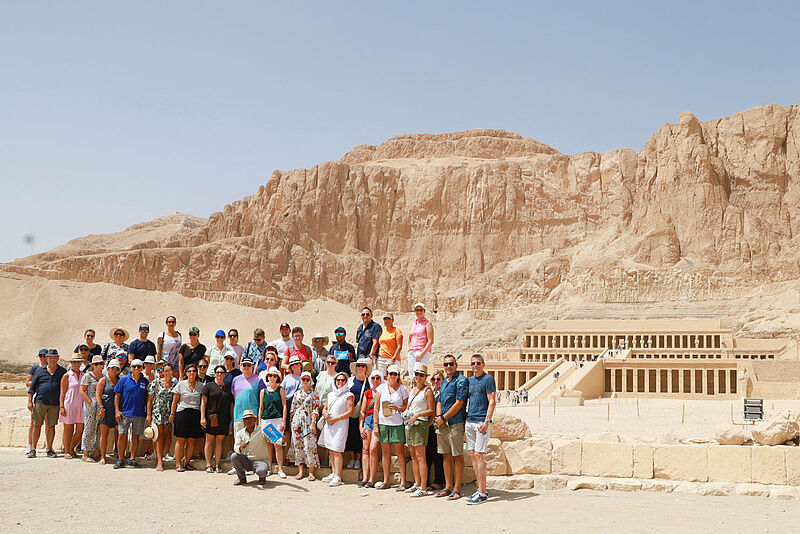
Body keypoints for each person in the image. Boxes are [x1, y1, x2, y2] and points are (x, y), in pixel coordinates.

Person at [434, 353, 468, 500]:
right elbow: (440, 400)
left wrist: (443, 417)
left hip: (455, 422)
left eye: (451, 364)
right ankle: (448, 486)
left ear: (456, 365)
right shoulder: (445, 382)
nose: (448, 367)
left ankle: (457, 488)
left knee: (457, 455)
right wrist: (438, 417)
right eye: (446, 364)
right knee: (446, 455)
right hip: (442, 423)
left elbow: (459, 403)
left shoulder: (461, 380)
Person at [465, 354, 497, 505]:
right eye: (473, 363)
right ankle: (480, 489)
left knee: (479, 455)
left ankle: (482, 493)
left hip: (481, 422)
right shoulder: (470, 380)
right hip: (470, 420)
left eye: (478, 363)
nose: (475, 366)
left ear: (483, 364)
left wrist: (487, 421)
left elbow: (492, 401)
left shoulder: (488, 379)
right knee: (473, 454)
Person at [372, 364, 409, 490]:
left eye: (395, 374)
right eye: (390, 374)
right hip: (383, 423)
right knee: (385, 453)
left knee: (400, 453)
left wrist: (398, 408)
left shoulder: (403, 389)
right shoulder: (382, 388)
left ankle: (403, 482)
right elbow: (376, 408)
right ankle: (386, 480)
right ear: (387, 375)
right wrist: (376, 425)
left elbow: (406, 407)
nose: (392, 376)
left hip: (397, 423)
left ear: (398, 376)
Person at [27, 349, 66, 458]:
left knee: (51, 426)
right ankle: (33, 449)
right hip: (41, 402)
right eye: (50, 357)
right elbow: (32, 387)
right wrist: (30, 401)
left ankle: (49, 448)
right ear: (47, 358)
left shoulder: (62, 371)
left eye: (55, 357)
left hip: (54, 403)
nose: (52, 360)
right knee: (37, 425)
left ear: (58, 358)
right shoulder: (39, 371)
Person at [404, 364, 435, 497]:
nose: (418, 377)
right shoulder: (413, 390)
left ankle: (423, 486)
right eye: (417, 374)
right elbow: (408, 405)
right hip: (410, 423)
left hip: (420, 423)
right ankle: (417, 483)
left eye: (421, 375)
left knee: (421, 456)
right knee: (413, 455)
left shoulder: (427, 391)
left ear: (425, 377)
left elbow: (431, 410)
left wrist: (419, 415)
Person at [319, 372, 354, 487]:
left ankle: (338, 476)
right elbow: (325, 408)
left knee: (337, 450)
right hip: (329, 424)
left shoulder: (349, 395)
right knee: (330, 448)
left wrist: (336, 419)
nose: (340, 382)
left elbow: (350, 412)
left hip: (340, 425)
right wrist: (325, 414)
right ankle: (333, 472)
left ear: (346, 381)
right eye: (338, 380)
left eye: (343, 380)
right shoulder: (330, 394)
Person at [113, 358, 149, 469]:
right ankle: (120, 459)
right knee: (122, 436)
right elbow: (117, 396)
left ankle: (132, 458)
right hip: (124, 413)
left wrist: (147, 413)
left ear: (142, 368)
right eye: (134, 366)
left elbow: (148, 398)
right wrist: (117, 411)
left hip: (139, 413)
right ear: (131, 368)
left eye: (139, 366)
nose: (136, 368)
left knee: (135, 437)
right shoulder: (123, 380)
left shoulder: (145, 381)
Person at [170, 363, 204, 471]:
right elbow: (174, 401)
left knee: (192, 440)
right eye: (189, 371)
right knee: (181, 440)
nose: (192, 373)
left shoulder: (201, 386)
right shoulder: (180, 385)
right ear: (185, 373)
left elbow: (203, 402)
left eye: (194, 371)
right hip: (182, 413)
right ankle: (178, 463)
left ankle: (187, 462)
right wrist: (172, 414)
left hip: (195, 414)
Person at [201, 364, 234, 473]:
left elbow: (231, 405)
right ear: (215, 374)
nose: (219, 374)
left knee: (219, 441)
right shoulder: (208, 386)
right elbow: (203, 403)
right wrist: (202, 417)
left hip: (224, 419)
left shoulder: (228, 388)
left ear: (225, 374)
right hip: (211, 417)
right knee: (209, 441)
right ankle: (208, 464)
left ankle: (217, 465)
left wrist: (232, 419)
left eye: (222, 372)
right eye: (218, 372)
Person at [289, 370, 320, 481]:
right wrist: (291, 422)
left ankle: (311, 472)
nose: (305, 381)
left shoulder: (314, 393)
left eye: (307, 379)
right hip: (297, 423)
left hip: (308, 422)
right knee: (298, 446)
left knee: (309, 446)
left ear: (310, 380)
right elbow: (292, 408)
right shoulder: (297, 393)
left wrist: (313, 423)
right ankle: (301, 470)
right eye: (303, 379)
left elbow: (316, 409)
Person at [258, 366, 287, 478]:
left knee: (278, 444)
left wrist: (284, 421)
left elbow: (284, 406)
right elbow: (261, 407)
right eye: (270, 375)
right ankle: (269, 467)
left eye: (274, 376)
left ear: (277, 377)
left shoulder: (281, 390)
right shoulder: (263, 391)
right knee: (269, 445)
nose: (272, 378)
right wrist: (259, 421)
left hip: (277, 419)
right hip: (266, 420)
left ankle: (280, 468)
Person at [147, 362, 174, 471]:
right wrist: (148, 414)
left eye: (169, 371)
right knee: (158, 436)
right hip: (158, 412)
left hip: (168, 413)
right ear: (162, 372)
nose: (167, 373)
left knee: (166, 435)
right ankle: (159, 461)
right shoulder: (156, 383)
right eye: (165, 371)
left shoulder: (174, 384)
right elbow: (149, 400)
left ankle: (163, 455)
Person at [345, 357, 371, 469]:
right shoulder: (350, 381)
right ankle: (352, 458)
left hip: (364, 414)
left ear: (366, 368)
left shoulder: (369, 382)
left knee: (361, 436)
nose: (360, 368)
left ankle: (358, 459)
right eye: (358, 365)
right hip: (350, 412)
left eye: (363, 366)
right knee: (350, 435)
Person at [231, 409, 270, 485]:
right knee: (234, 456)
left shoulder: (262, 430)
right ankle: (241, 478)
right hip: (247, 461)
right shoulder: (240, 433)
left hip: (260, 461)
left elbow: (275, 440)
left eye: (250, 418)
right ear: (243, 421)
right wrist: (241, 448)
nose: (248, 421)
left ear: (254, 419)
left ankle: (262, 478)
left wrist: (283, 440)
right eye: (246, 419)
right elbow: (236, 448)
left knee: (261, 471)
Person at [359, 369, 382, 488]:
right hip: (368, 420)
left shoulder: (383, 392)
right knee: (365, 449)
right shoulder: (367, 393)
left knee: (373, 449)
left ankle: (372, 479)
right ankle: (365, 477)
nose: (375, 380)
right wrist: (360, 426)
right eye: (373, 378)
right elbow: (362, 411)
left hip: (377, 420)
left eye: (378, 378)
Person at [59, 354, 84, 459]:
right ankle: (67, 451)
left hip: (81, 405)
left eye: (78, 362)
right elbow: (62, 392)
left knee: (80, 430)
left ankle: (71, 448)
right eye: (74, 362)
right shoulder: (67, 375)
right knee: (68, 429)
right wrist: (61, 406)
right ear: (71, 363)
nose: (77, 364)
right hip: (69, 404)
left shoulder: (84, 375)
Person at [80, 355, 105, 462]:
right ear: (92, 365)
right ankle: (85, 453)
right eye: (96, 364)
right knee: (89, 427)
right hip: (91, 405)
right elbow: (82, 390)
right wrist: (90, 402)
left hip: (100, 405)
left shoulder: (104, 376)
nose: (98, 366)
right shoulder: (87, 376)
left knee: (99, 428)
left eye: (100, 363)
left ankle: (96, 452)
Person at [231, 357, 265, 434]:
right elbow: (234, 398)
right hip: (239, 417)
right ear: (240, 366)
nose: (246, 367)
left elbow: (262, 400)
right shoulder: (235, 380)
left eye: (248, 365)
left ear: (252, 366)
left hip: (253, 417)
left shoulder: (259, 380)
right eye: (244, 365)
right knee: (239, 443)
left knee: (253, 444)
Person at [96, 359, 120, 464]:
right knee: (104, 434)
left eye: (116, 368)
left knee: (118, 433)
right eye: (112, 368)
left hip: (116, 410)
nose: (114, 370)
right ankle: (103, 456)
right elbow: (97, 395)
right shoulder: (103, 380)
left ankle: (119, 454)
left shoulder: (120, 380)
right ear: (108, 369)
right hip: (105, 409)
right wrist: (101, 408)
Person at [25, 349, 48, 455]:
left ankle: (49, 446)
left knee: (49, 423)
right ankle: (30, 445)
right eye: (41, 356)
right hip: (37, 397)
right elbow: (28, 382)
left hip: (48, 398)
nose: (43, 358)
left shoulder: (51, 368)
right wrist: (39, 381)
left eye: (45, 356)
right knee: (34, 422)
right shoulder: (35, 368)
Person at [426, 370, 445, 490]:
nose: (436, 382)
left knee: (439, 454)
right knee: (429, 453)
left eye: (438, 379)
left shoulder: (443, 392)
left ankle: (439, 481)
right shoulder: (431, 392)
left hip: (439, 425)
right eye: (434, 379)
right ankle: (426, 481)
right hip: (429, 426)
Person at [281, 355, 303, 448]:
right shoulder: (287, 378)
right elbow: (282, 390)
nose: (295, 366)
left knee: (298, 429)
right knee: (287, 429)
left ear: (300, 365)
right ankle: (289, 454)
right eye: (292, 365)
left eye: (297, 364)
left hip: (299, 405)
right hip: (288, 403)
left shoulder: (305, 376)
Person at [407, 302, 434, 376]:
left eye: (421, 310)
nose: (419, 312)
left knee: (418, 373)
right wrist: (410, 348)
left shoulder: (427, 323)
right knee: (411, 375)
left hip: (422, 351)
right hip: (412, 351)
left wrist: (422, 353)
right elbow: (410, 337)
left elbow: (431, 341)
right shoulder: (414, 323)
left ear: (424, 311)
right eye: (417, 310)